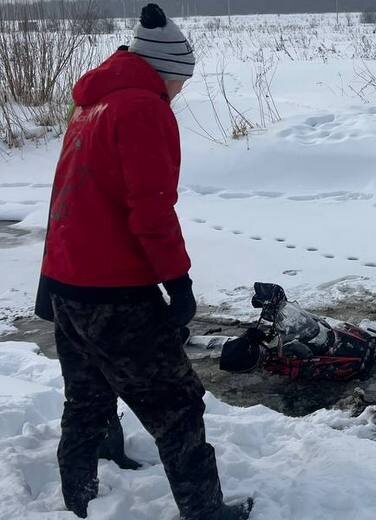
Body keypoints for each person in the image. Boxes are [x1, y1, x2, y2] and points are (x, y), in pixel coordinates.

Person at [35, 4, 251, 519]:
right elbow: (152, 208)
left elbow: (67, 196)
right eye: (180, 81)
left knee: (85, 396)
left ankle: (78, 495)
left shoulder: (92, 105)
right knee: (178, 405)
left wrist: (49, 279)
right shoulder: (143, 108)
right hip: (116, 293)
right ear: (165, 71)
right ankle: (204, 511)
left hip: (71, 285)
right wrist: (178, 284)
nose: (180, 91)